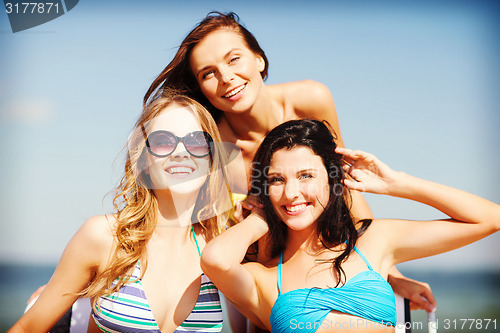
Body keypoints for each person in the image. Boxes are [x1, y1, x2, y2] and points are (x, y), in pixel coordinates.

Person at [143, 11, 436, 313]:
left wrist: (391, 275)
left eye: (234, 59)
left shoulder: (310, 99)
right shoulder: (213, 144)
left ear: (259, 59)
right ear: (201, 86)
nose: (226, 77)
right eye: (208, 73)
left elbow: (345, 188)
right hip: (260, 274)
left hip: (326, 258)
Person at [201, 119, 500, 333]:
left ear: (332, 182)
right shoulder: (263, 277)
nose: (291, 193)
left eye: (306, 176)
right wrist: (260, 218)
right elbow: (215, 259)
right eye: (277, 180)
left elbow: (489, 218)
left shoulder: (373, 241)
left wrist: (397, 183)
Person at [9, 90, 233, 333]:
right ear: (144, 159)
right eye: (163, 141)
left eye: (197, 141)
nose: (180, 152)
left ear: (211, 159)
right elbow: (27, 328)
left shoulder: (221, 247)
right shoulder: (105, 237)